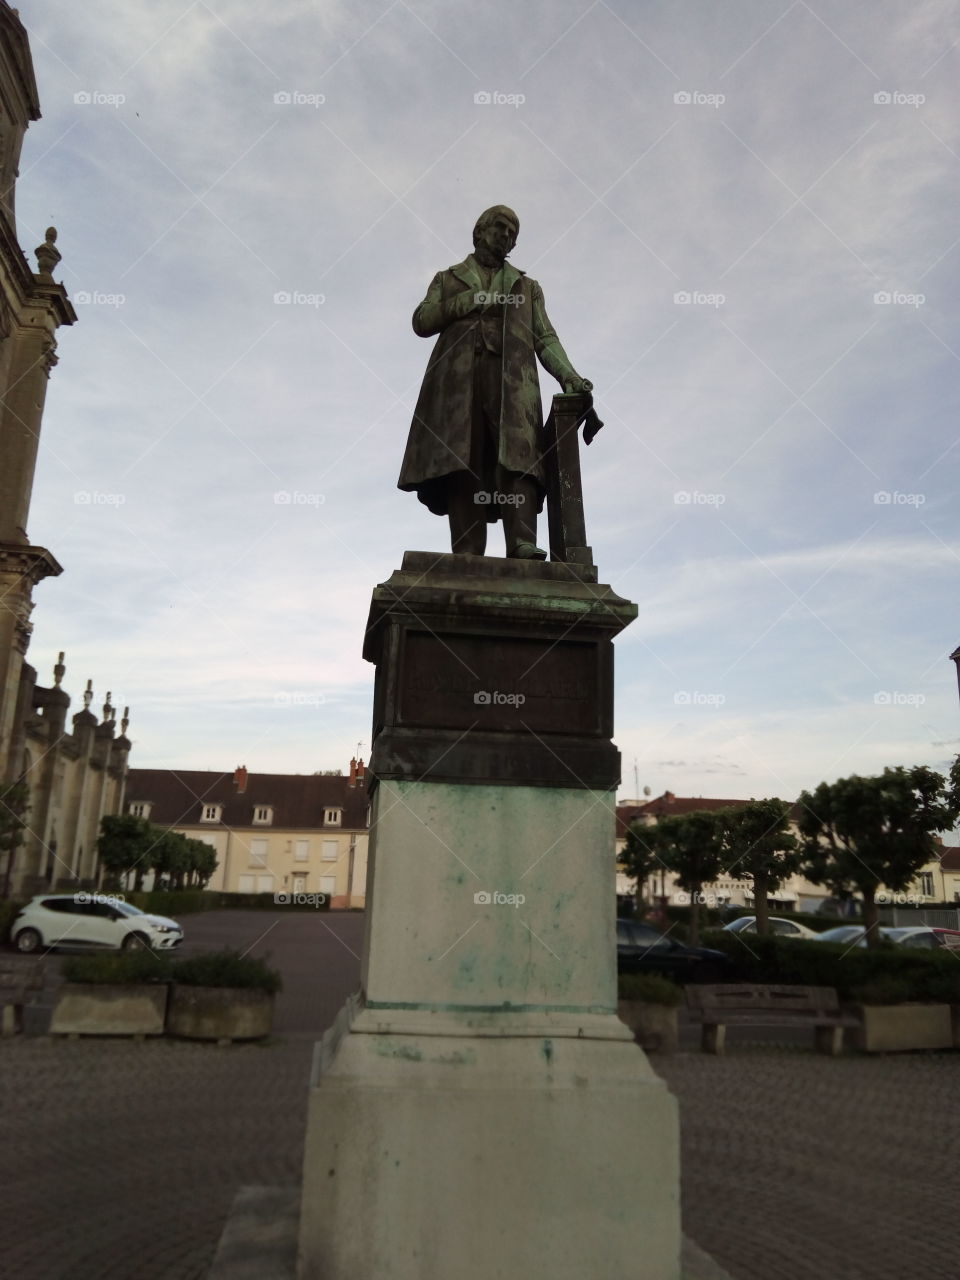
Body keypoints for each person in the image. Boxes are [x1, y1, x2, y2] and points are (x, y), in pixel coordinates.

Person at [398, 205, 591, 558]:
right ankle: (467, 552)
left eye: (513, 233)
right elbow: (422, 320)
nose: (506, 236)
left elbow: (545, 337)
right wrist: (466, 301)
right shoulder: (449, 278)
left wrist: (570, 376)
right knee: (462, 457)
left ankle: (522, 543)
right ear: (479, 232)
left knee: (518, 456)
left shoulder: (526, 287)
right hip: (458, 381)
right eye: (501, 228)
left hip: (513, 383)